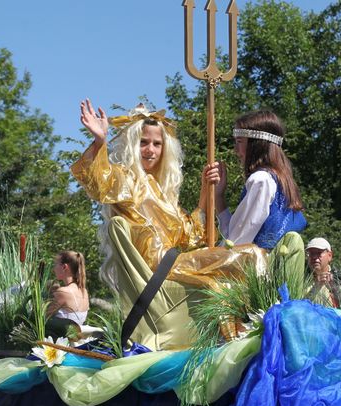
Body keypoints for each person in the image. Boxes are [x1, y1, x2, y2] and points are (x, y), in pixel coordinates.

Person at [70, 100, 265, 290]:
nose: (150, 150)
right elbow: (99, 182)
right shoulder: (125, 179)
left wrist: (206, 189)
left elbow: (191, 236)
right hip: (159, 270)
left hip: (174, 265)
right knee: (251, 256)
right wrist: (99, 141)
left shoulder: (163, 193)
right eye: (143, 142)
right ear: (132, 145)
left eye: (157, 144)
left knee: (249, 258)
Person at [201, 110, 307, 249]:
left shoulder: (261, 180)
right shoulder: (278, 180)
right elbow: (235, 234)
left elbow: (236, 243)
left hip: (256, 268)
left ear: (256, 144)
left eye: (239, 142)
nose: (235, 150)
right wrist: (218, 196)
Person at [47, 250, 90, 325]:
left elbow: (40, 317)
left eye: (55, 264)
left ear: (64, 267)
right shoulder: (84, 291)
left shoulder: (63, 292)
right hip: (80, 336)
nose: (54, 269)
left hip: (59, 336)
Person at [305, 238, 341, 308]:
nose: (314, 257)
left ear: (330, 255)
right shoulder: (301, 282)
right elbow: (299, 308)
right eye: (311, 253)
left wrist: (334, 289)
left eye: (319, 253)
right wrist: (316, 286)